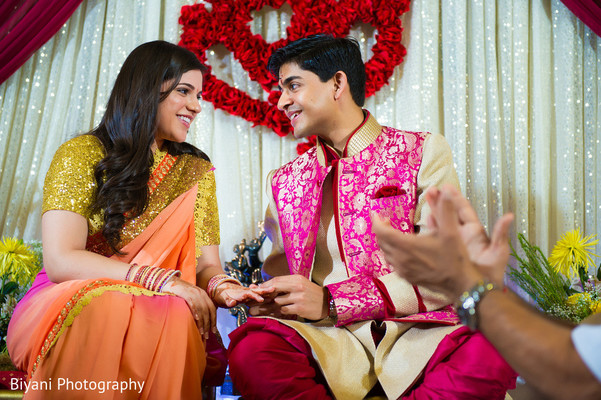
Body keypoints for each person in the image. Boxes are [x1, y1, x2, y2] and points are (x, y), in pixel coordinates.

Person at [227, 34, 516, 400]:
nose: (282, 101)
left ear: (337, 83)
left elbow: (446, 265)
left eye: (293, 86)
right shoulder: (284, 181)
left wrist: (334, 300)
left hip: (419, 334)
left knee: (496, 342)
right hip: (330, 340)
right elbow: (282, 273)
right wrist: (272, 298)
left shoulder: (421, 150)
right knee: (253, 351)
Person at [7, 40, 266, 399]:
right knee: (108, 307)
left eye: (199, 95)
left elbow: (206, 264)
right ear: (146, 90)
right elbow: (61, 260)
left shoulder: (195, 170)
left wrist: (225, 288)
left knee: (176, 313)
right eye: (184, 91)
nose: (196, 106)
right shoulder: (82, 154)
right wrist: (162, 281)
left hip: (164, 304)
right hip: (72, 297)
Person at [373, 184, 601, 400]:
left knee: (485, 353)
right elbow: (580, 347)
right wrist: (484, 283)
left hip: (428, 337)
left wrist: (465, 281)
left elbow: (579, 372)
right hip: (344, 344)